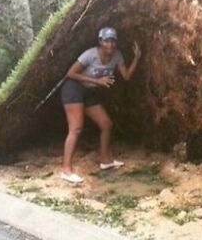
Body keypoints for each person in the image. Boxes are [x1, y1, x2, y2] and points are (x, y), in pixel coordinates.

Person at [59, 26, 141, 183]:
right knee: (76, 128)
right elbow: (71, 73)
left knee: (106, 124)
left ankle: (105, 161)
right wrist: (97, 81)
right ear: (100, 41)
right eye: (106, 41)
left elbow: (126, 76)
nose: (110, 45)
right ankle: (66, 170)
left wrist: (136, 57)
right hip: (73, 89)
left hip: (89, 92)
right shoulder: (90, 54)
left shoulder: (117, 56)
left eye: (113, 41)